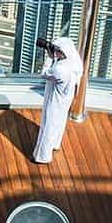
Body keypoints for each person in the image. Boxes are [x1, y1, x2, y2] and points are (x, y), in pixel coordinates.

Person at [33, 36, 84, 164]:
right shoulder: (75, 60)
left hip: (55, 99)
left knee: (48, 125)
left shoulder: (60, 69)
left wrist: (50, 58)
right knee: (59, 122)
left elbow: (44, 73)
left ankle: (42, 156)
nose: (56, 53)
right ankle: (55, 144)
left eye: (58, 51)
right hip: (67, 97)